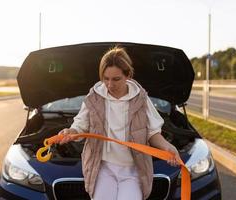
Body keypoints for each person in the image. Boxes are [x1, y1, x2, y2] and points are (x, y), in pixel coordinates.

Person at [58, 46, 181, 200]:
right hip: (102, 167)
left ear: (128, 75)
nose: (110, 85)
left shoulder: (141, 99)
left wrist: (167, 147)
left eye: (116, 79)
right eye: (105, 78)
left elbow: (152, 133)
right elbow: (80, 125)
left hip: (133, 169)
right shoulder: (93, 97)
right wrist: (71, 132)